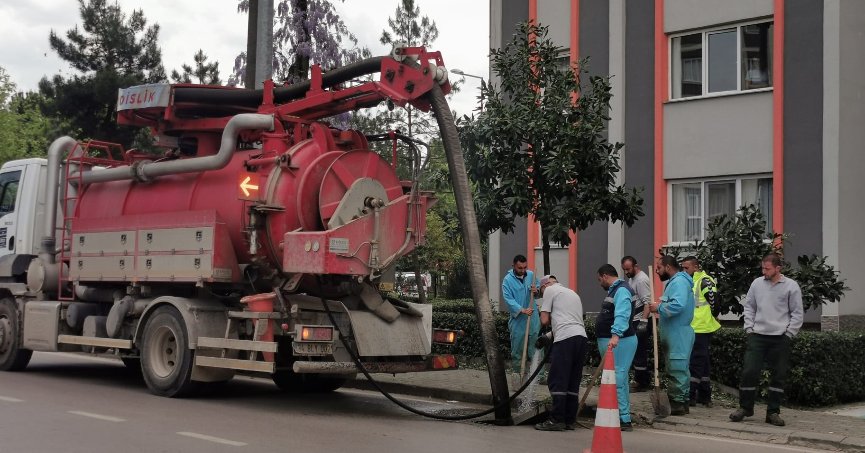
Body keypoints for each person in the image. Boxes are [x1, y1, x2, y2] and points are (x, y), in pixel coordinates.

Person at [729, 253, 803, 427]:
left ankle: (773, 412)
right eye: (762, 268)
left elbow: (797, 313)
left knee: (778, 376)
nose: (764, 271)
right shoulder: (757, 284)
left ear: (778, 268)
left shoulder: (791, 286)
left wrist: (789, 333)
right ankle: (745, 408)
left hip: (780, 338)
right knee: (749, 372)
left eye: (767, 268)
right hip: (758, 336)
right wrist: (749, 329)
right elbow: (749, 307)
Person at [533, 275, 588, 432]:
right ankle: (569, 420)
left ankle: (556, 419)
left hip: (565, 340)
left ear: (545, 285)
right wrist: (547, 337)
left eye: (541, 293)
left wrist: (544, 312)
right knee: (572, 381)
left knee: (558, 379)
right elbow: (568, 321)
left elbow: (544, 320)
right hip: (581, 339)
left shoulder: (550, 290)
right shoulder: (572, 293)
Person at [649, 255, 695, 416]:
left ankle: (678, 404)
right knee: (678, 368)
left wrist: (658, 308)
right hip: (675, 332)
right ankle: (681, 402)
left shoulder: (679, 283)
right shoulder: (675, 283)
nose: (656, 270)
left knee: (677, 368)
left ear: (668, 267)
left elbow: (678, 305)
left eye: (659, 267)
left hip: (678, 333)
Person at [595, 264, 638, 431]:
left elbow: (622, 313)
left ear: (605, 276)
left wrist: (615, 335)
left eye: (600, 280)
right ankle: (622, 415)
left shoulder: (621, 290)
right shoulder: (617, 290)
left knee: (617, 379)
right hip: (618, 340)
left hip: (620, 341)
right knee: (619, 378)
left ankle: (623, 419)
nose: (600, 283)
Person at [681, 256, 721, 408]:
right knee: (703, 362)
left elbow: (715, 302)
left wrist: (714, 315)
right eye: (683, 268)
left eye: (687, 268)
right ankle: (705, 396)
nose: (684, 270)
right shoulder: (691, 280)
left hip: (701, 327)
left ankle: (690, 396)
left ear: (696, 267)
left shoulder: (704, 280)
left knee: (695, 362)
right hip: (695, 326)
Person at [501, 254, 540, 374]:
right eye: (520, 268)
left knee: (536, 349)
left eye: (524, 267)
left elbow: (538, 289)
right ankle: (518, 374)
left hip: (533, 319)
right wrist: (521, 309)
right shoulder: (507, 280)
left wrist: (536, 290)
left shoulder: (532, 275)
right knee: (517, 350)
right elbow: (508, 299)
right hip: (518, 321)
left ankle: (537, 375)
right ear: (513, 266)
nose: (523, 270)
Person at [621, 255, 652, 392]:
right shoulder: (632, 278)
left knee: (639, 352)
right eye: (624, 270)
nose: (626, 272)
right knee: (635, 351)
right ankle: (641, 379)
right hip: (634, 320)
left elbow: (647, 303)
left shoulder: (641, 280)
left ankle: (642, 382)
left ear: (635, 266)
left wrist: (643, 322)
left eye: (628, 269)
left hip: (640, 320)